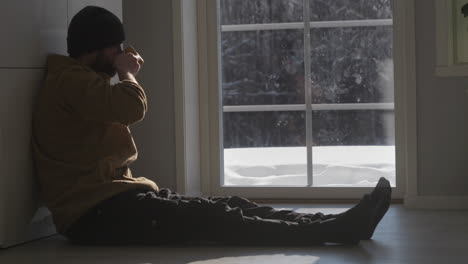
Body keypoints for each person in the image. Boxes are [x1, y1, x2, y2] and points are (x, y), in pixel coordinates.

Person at [32, 6, 392, 246]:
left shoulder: (81, 80)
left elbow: (119, 109)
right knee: (216, 218)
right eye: (115, 50)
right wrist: (128, 72)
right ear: (94, 50)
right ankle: (333, 231)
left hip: (116, 200)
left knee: (231, 203)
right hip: (93, 216)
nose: (121, 56)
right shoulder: (72, 82)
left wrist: (120, 65)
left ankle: (331, 222)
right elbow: (130, 107)